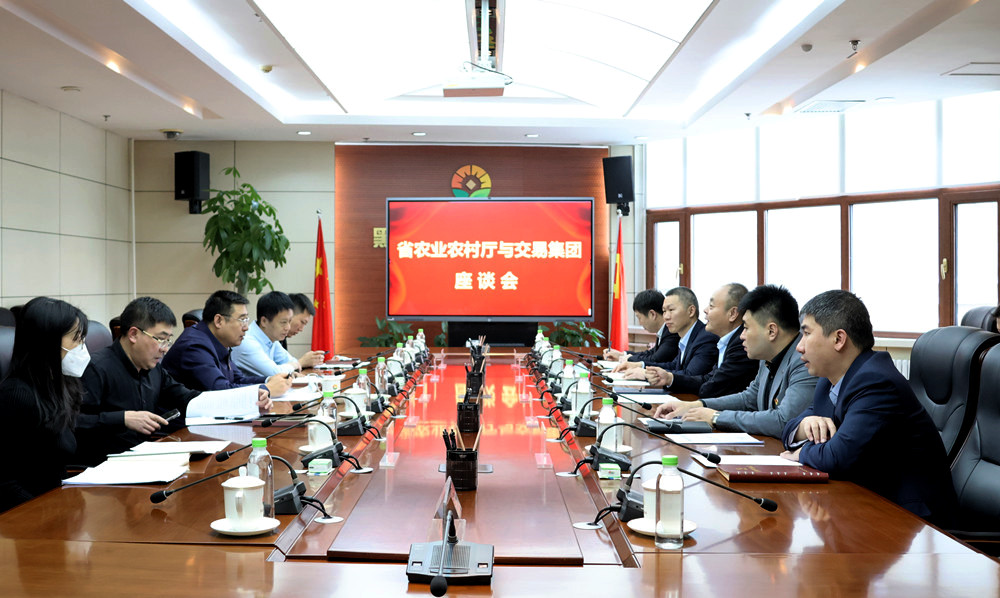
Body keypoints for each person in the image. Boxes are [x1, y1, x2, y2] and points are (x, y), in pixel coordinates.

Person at [780, 290, 956, 525]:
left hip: (910, 520)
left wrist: (801, 453)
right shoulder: (829, 380)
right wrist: (804, 426)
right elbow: (788, 430)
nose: (799, 347)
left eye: (806, 334)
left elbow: (837, 457)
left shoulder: (876, 381)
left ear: (838, 339)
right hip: (865, 501)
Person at [76, 297, 271, 463]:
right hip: (106, 465)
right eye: (160, 339)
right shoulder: (97, 368)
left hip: (146, 456)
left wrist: (249, 399)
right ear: (133, 334)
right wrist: (123, 418)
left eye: (168, 340)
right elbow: (74, 422)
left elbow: (187, 398)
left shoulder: (153, 369)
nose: (165, 348)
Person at [654, 285, 817, 437]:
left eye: (746, 328)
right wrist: (697, 405)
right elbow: (749, 399)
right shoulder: (767, 357)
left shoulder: (804, 361)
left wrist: (716, 417)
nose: (742, 336)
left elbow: (784, 421)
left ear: (771, 331)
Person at [0, 297, 88, 512]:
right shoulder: (16, 396)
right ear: (47, 342)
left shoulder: (62, 384)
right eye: (76, 339)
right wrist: (44, 514)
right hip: (28, 514)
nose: (82, 347)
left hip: (58, 503)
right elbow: (4, 481)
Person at [161, 290, 292, 397]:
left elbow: (237, 379)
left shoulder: (218, 341)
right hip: (180, 420)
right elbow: (220, 390)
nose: (246, 327)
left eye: (246, 320)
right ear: (219, 321)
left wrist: (269, 380)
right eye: (242, 320)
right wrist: (266, 389)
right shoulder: (194, 346)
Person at [644, 283, 757, 398]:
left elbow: (712, 387)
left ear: (732, 314)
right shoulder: (727, 342)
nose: (705, 310)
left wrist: (670, 379)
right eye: (664, 311)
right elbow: (708, 379)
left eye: (711, 306)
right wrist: (669, 379)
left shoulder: (740, 344)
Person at [616, 286, 719, 380]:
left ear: (691, 311)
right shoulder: (686, 337)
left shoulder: (706, 338)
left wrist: (647, 374)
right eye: (664, 311)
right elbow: (673, 366)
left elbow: (691, 375)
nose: (666, 317)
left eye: (671, 310)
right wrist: (641, 365)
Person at [232, 291, 324, 377]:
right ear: (264, 321)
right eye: (283, 322)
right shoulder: (246, 341)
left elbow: (290, 361)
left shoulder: (271, 339)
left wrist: (295, 365)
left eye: (289, 321)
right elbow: (275, 372)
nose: (288, 327)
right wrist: (300, 362)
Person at [602, 289, 679, 365]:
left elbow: (656, 360)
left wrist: (629, 359)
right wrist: (622, 354)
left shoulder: (672, 332)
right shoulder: (664, 331)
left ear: (652, 314)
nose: (640, 323)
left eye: (639, 318)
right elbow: (651, 353)